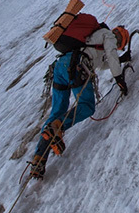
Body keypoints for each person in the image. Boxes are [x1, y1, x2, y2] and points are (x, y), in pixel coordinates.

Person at [30, 21, 131, 179]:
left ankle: (39, 159)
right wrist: (119, 79)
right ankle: (58, 127)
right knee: (86, 106)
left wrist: (121, 59)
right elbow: (111, 56)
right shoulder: (108, 36)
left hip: (60, 66)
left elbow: (101, 62)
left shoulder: (93, 36)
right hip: (77, 66)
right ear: (119, 39)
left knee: (57, 112)